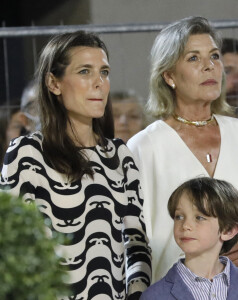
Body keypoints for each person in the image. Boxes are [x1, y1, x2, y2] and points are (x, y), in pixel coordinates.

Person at [127, 16, 238, 299]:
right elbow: (134, 243)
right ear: (169, 76)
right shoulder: (144, 147)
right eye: (193, 58)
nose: (210, 66)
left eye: (214, 56)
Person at [0, 31, 151, 300]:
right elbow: (11, 247)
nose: (99, 83)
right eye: (84, 71)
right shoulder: (27, 153)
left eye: (104, 72)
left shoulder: (120, 154)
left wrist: (137, 293)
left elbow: (137, 244)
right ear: (54, 83)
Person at [141, 177, 238, 300]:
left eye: (199, 217)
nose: (185, 225)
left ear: (228, 230)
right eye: (179, 216)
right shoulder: (153, 296)